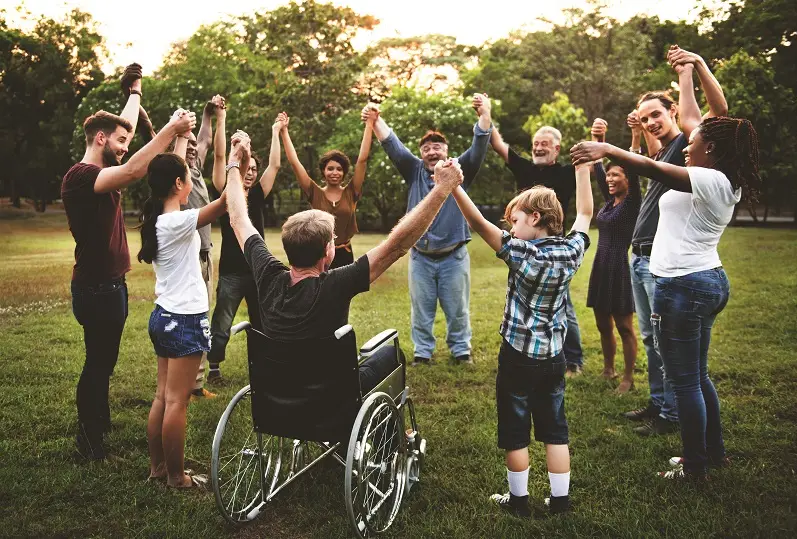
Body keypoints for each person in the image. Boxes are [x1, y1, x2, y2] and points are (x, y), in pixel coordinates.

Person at [571, 68, 760, 482]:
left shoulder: (709, 179)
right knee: (697, 375)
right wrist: (687, 73)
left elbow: (654, 169)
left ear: (711, 148)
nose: (687, 148)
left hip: (683, 286)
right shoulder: (719, 178)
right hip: (703, 280)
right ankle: (714, 453)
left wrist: (607, 149)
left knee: (687, 381)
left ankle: (694, 466)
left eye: (693, 144)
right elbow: (670, 148)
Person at [223, 132, 466, 392]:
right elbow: (397, 245)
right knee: (392, 355)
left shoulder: (267, 275)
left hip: (279, 392)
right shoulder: (338, 283)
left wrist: (235, 162)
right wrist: (442, 189)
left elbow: (238, 217)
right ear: (328, 252)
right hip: (332, 394)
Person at [62, 66, 196, 460]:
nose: (125, 146)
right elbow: (137, 167)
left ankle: (97, 427)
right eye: (119, 142)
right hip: (95, 288)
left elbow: (127, 136)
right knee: (97, 364)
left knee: (104, 362)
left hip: (112, 286)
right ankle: (89, 443)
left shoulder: (102, 168)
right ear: (99, 139)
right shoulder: (81, 176)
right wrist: (171, 130)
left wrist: (134, 93)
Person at [450, 157, 594, 517]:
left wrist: (452, 186)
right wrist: (582, 170)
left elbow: (476, 223)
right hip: (554, 357)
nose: (511, 228)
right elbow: (586, 214)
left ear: (535, 218)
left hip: (518, 355)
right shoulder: (571, 250)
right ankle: (560, 502)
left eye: (515, 220)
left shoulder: (521, 252)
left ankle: (518, 502)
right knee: (555, 428)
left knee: (515, 428)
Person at [621, 45, 728, 437]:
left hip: (670, 268)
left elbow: (707, 116)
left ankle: (672, 416)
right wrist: (637, 129)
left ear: (673, 115)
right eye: (645, 116)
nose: (651, 122)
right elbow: (652, 152)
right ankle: (659, 402)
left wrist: (691, 69)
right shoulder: (674, 150)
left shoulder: (690, 149)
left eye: (657, 115)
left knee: (672, 351)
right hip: (643, 255)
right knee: (653, 340)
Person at [364, 94, 493, 365]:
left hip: (453, 257)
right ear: (421, 154)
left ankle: (461, 352)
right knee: (421, 310)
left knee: (457, 310)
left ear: (446, 151)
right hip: (420, 257)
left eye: (437, 147)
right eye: (427, 149)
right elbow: (392, 144)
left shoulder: (460, 171)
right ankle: (423, 353)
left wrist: (485, 113)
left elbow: (480, 143)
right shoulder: (413, 171)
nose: (432, 152)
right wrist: (376, 120)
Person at [138, 133, 229, 488]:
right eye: (188, 175)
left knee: (163, 396)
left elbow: (177, 174)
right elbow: (224, 203)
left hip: (163, 317)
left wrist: (178, 136)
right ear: (179, 184)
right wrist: (235, 160)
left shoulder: (161, 218)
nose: (192, 178)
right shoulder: (178, 221)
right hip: (184, 320)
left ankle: (158, 469)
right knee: (177, 400)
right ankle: (177, 478)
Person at [487, 112, 584, 376]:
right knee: (523, 298)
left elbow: (587, 188)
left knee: (563, 304)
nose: (538, 148)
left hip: (554, 248)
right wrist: (485, 114)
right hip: (524, 246)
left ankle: (572, 359)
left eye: (544, 144)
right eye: (535, 144)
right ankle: (527, 347)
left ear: (556, 148)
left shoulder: (566, 173)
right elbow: (498, 145)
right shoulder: (525, 168)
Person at [207, 114, 283, 385]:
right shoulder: (227, 194)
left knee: (262, 322)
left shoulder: (260, 196)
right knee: (222, 323)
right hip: (231, 273)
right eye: (247, 169)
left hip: (258, 272)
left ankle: (263, 367)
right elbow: (219, 160)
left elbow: (274, 164)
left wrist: (276, 131)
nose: (251, 173)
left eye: (253, 170)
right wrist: (222, 122)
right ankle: (214, 368)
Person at [585, 118, 641, 393]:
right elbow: (597, 169)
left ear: (628, 180)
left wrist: (635, 135)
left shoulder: (632, 202)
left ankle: (628, 378)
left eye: (615, 174)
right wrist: (598, 137)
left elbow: (633, 163)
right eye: (608, 175)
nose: (609, 178)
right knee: (602, 322)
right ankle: (608, 369)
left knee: (624, 326)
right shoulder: (609, 202)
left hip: (619, 266)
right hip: (600, 266)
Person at [279, 110, 374, 269]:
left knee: (343, 294)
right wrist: (284, 131)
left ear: (344, 172)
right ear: (323, 171)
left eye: (339, 169)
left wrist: (369, 124)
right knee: (319, 293)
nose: (335, 172)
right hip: (318, 254)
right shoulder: (314, 192)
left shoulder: (351, 192)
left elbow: (362, 160)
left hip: (344, 254)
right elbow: (295, 163)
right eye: (330, 169)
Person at [183, 95, 227, 400]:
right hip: (190, 256)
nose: (192, 149)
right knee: (195, 315)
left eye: (192, 147)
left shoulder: (195, 168)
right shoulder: (175, 174)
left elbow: (206, 140)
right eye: (185, 146)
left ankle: (193, 383)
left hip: (205, 253)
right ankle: (192, 385)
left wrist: (207, 113)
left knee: (201, 314)